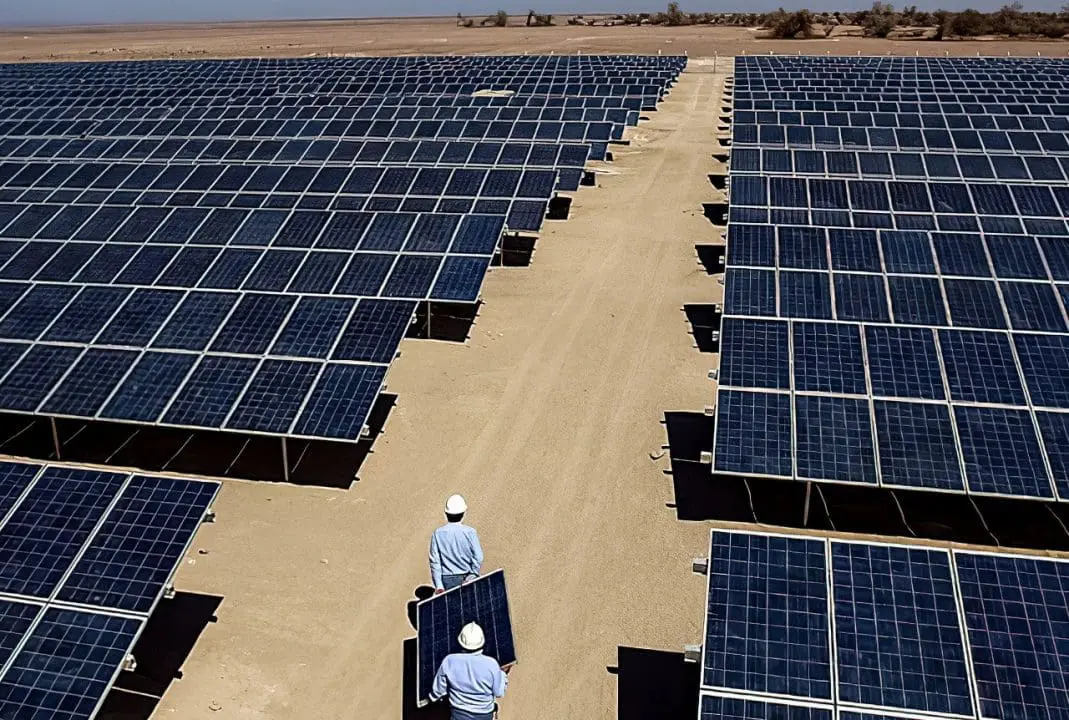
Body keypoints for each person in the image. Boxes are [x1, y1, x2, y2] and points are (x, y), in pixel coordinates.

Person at [430, 622, 510, 720]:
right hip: (484, 714)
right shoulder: (491, 664)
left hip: (458, 713)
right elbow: (499, 692)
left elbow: (438, 690)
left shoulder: (449, 661)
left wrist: (432, 698)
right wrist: (502, 675)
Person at [429, 494, 484, 593]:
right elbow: (479, 557)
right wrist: (472, 575)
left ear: (446, 514)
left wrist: (439, 585)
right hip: (467, 578)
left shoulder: (437, 533)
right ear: (463, 513)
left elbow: (435, 561)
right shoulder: (470, 532)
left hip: (446, 581)